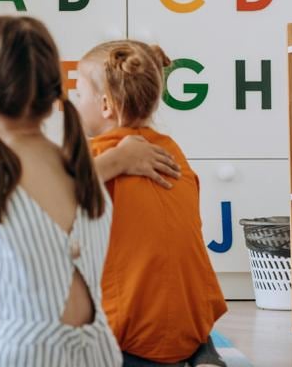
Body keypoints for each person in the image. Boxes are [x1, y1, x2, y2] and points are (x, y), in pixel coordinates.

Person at [76, 40, 228, 367]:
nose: (76, 103)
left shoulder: (91, 157)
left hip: (128, 336)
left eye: (80, 95)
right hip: (192, 325)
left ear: (105, 105)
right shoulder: (173, 151)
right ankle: (204, 352)